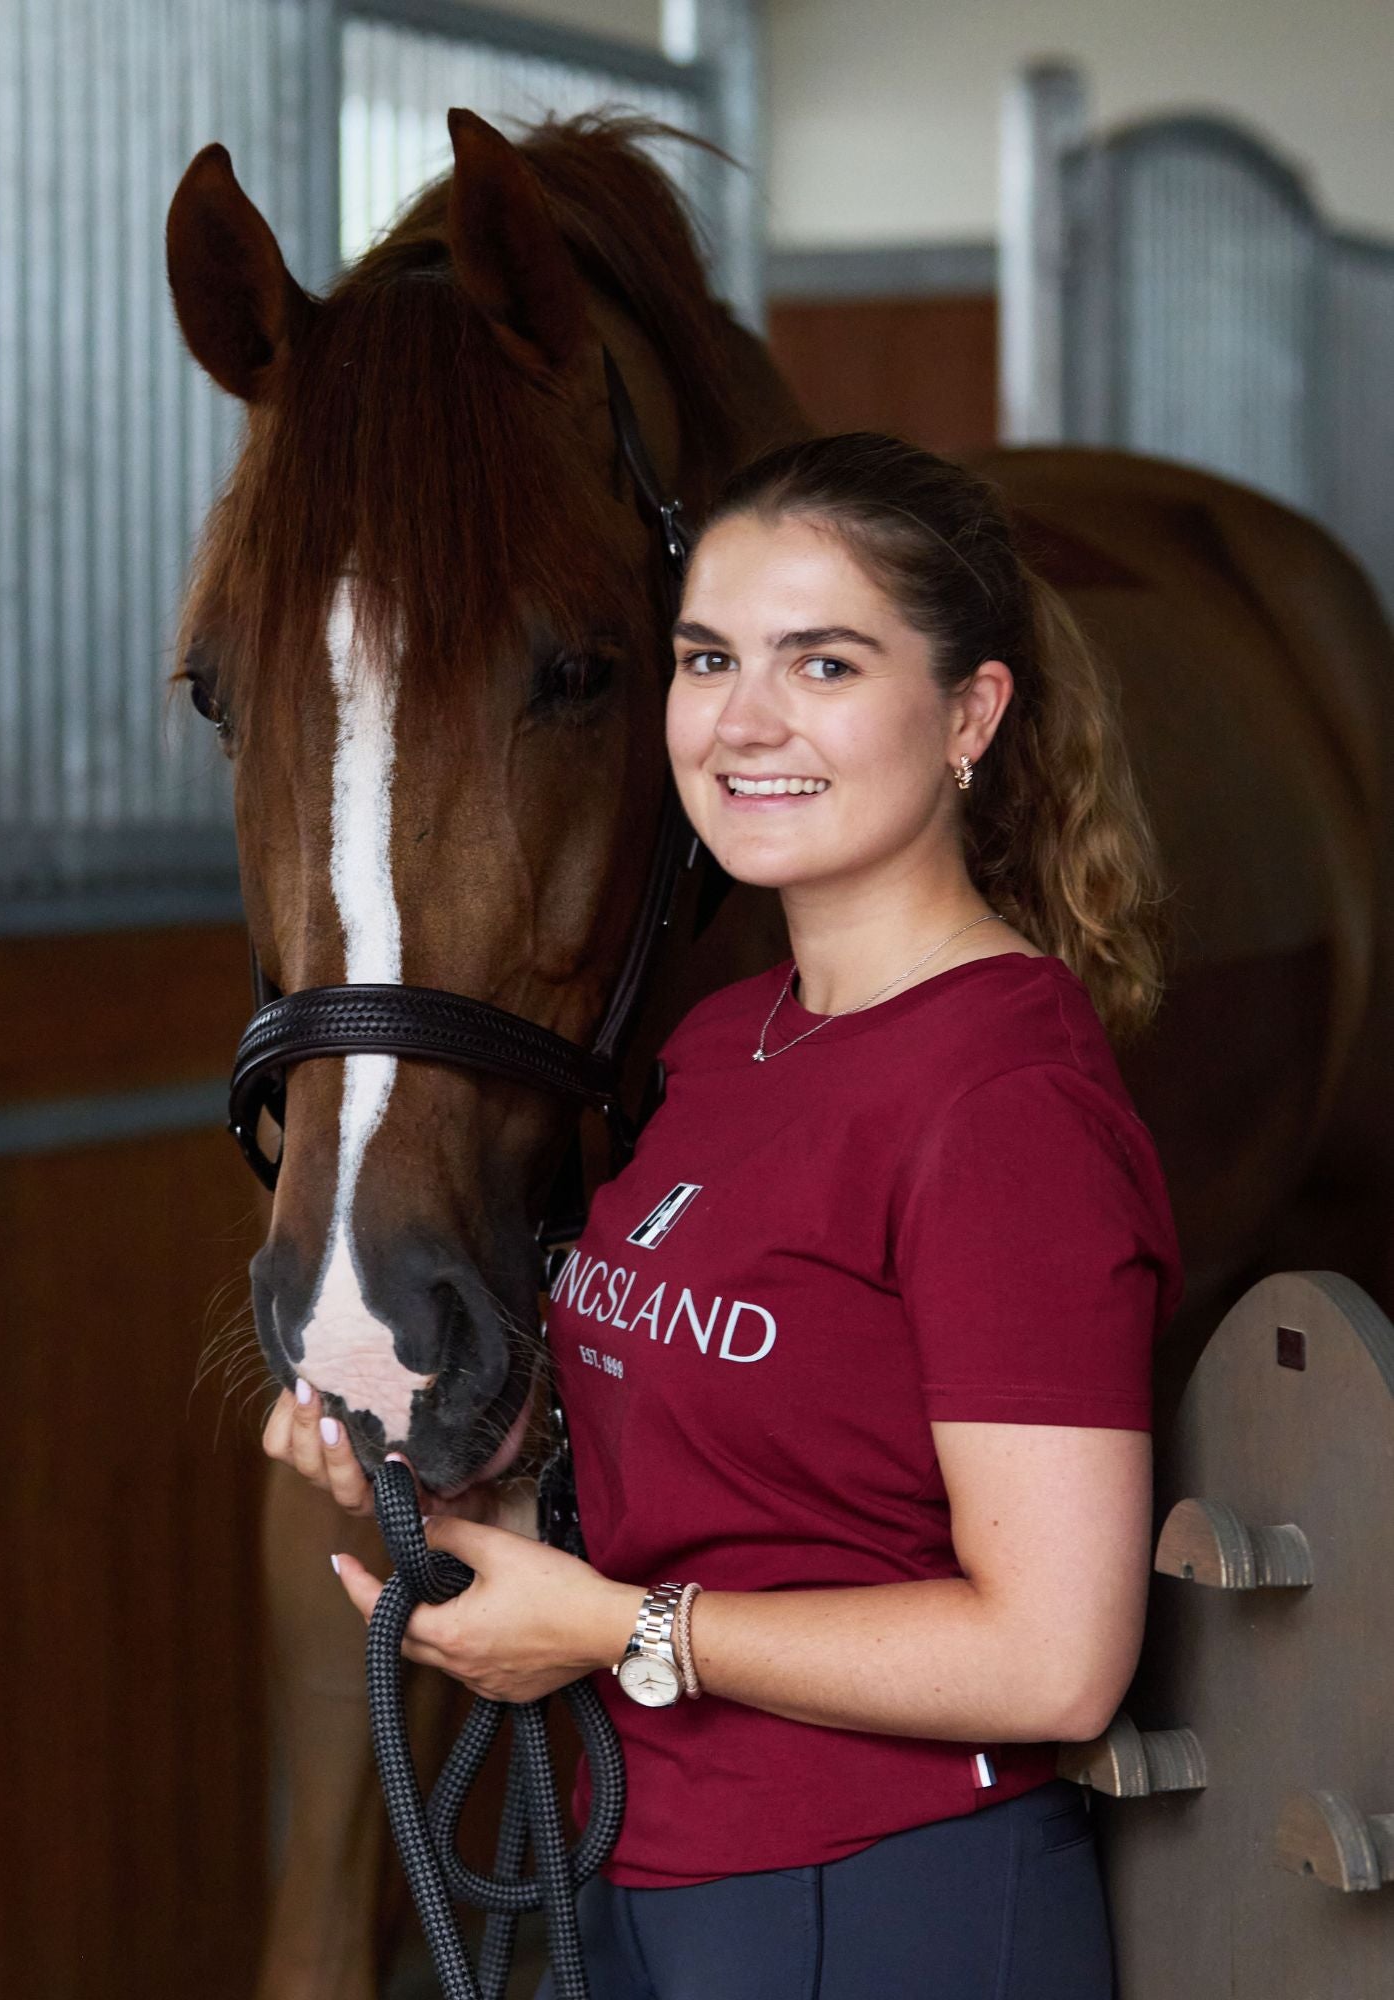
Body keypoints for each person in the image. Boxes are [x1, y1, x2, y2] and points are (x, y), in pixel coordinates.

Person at [265, 432, 1184, 1998]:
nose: (745, 722)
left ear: (971, 712)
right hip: (651, 1874)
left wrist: (620, 1629)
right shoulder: (723, 1042)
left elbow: (1055, 1651)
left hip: (888, 1906)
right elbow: (742, 1485)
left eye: (823, 663)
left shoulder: (998, 1099)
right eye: (708, 657)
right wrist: (477, 1512)